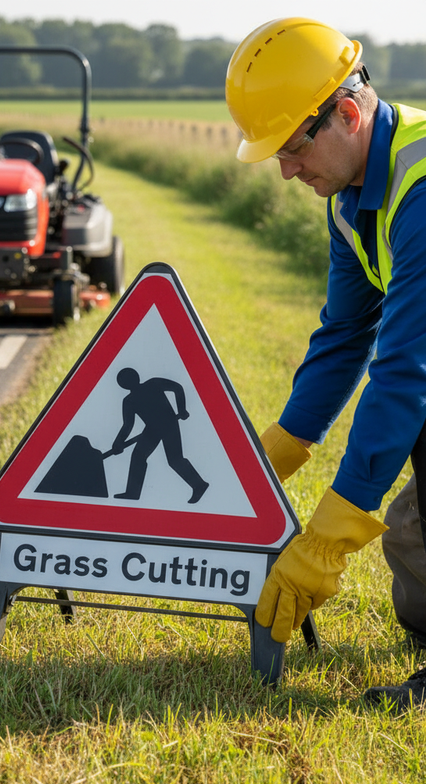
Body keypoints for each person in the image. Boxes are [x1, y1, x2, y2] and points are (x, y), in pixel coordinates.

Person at [225, 16, 426, 708]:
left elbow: (406, 374)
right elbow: (346, 334)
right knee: (416, 579)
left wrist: (331, 536)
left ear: (346, 113)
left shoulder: (423, 188)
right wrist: (276, 453)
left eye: (290, 148)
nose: (284, 170)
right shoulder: (348, 200)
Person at [110, 368, 208, 503]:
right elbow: (128, 425)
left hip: (169, 424)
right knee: (138, 457)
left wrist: (182, 409)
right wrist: (118, 442)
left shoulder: (152, 384)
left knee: (175, 459)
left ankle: (199, 485)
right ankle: (132, 493)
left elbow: (177, 388)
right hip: (152, 430)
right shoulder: (129, 400)